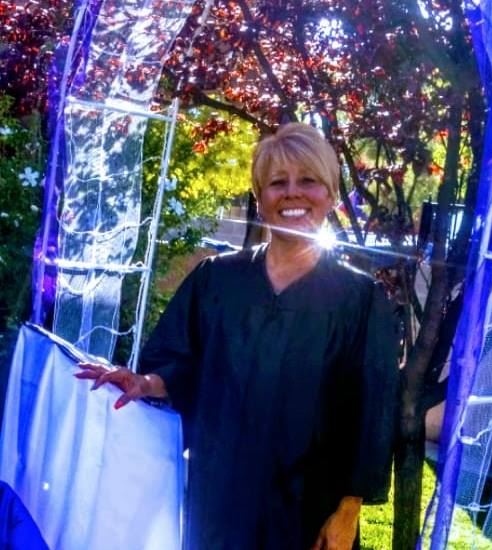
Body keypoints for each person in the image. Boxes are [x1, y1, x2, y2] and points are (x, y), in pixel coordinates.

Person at [77, 122, 399, 550]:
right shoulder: (217, 281)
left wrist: (348, 510)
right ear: (259, 198)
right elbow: (182, 363)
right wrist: (145, 382)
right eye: (277, 183)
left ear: (331, 195)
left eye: (308, 180)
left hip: (309, 508)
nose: (292, 193)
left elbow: (373, 412)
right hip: (220, 497)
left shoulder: (359, 299)